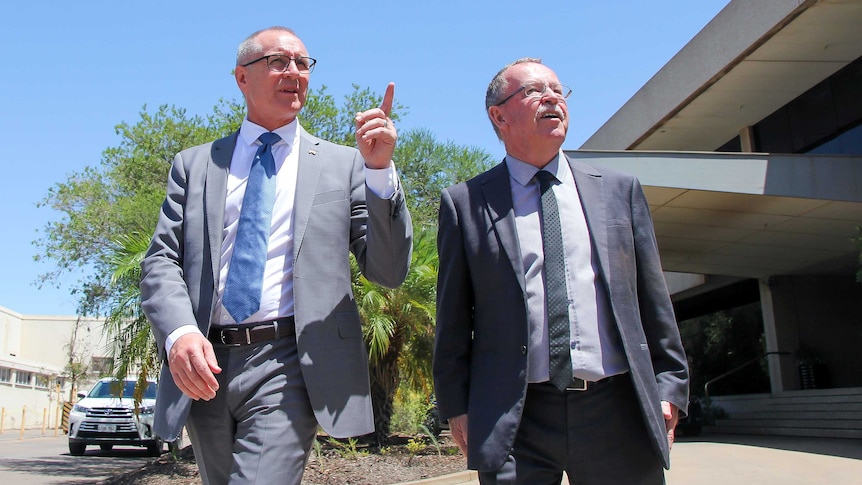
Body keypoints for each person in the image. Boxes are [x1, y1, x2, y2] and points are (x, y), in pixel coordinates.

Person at [140, 26, 412, 485]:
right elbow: (160, 260)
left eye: (302, 63)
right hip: (205, 362)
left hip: (290, 361)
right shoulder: (195, 165)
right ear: (242, 78)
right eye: (278, 62)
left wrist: (380, 171)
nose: (294, 72)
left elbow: (387, 271)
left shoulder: (345, 164)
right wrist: (180, 333)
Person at [433, 58, 689, 484]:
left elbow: (653, 300)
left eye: (557, 89)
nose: (552, 97)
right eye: (534, 91)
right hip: (514, 417)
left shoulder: (618, 191)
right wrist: (456, 406)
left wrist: (669, 387)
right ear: (498, 116)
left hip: (617, 409)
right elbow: (453, 319)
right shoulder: (465, 204)